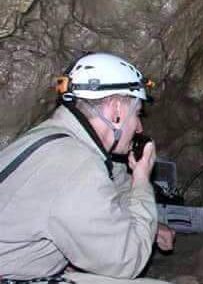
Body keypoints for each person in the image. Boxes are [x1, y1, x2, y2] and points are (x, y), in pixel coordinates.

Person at [0, 53, 175, 283]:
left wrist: (148, 227)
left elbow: (110, 186)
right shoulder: (76, 166)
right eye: (137, 113)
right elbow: (127, 261)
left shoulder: (57, 137)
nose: (139, 127)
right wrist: (142, 179)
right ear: (116, 111)